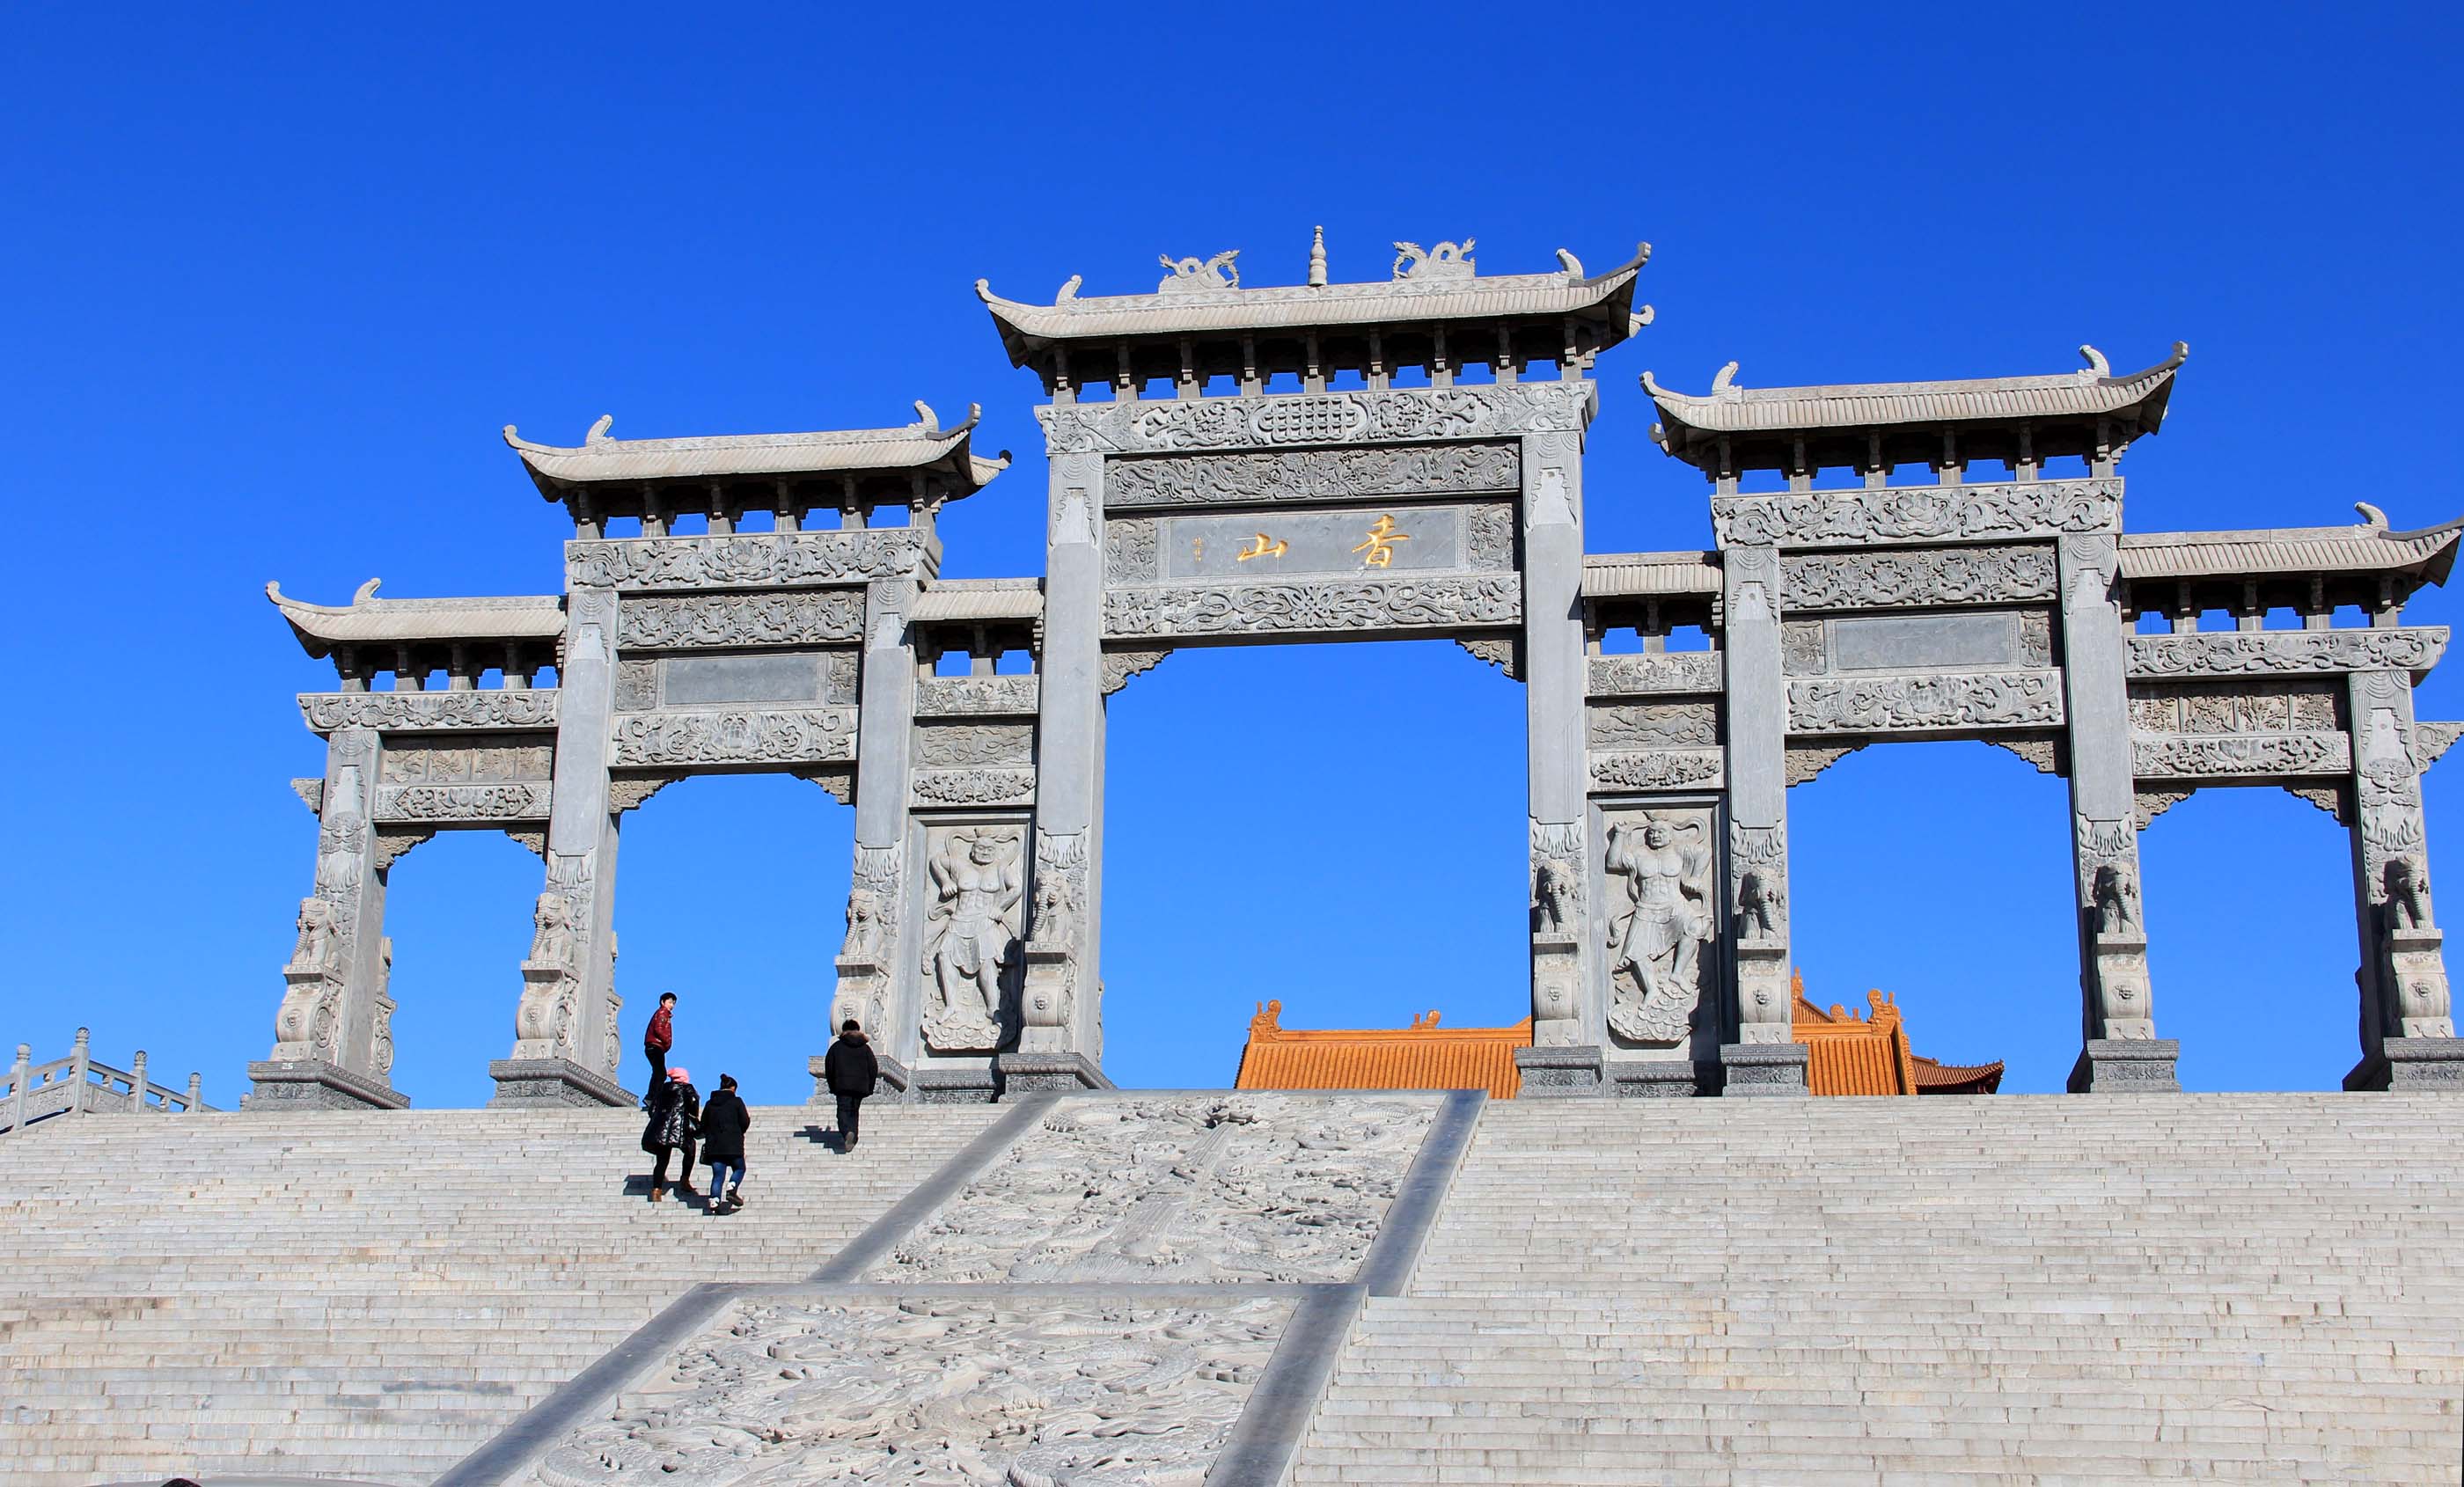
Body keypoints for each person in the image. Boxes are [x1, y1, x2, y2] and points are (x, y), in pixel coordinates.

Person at [641, 1066, 700, 1203]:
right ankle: (685, 1180)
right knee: (690, 1151)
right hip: (681, 1129)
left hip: (662, 1129)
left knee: (662, 1159)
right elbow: (694, 1104)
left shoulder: (663, 1089)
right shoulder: (688, 1089)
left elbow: (652, 1110)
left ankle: (656, 1189)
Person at [822, 1018, 878, 1152]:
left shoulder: (837, 1047)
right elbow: (873, 1068)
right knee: (854, 1112)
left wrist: (832, 1085)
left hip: (842, 1085)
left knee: (843, 1112)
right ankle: (853, 1134)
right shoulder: (865, 1049)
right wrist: (869, 1087)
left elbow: (829, 1067)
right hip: (860, 1086)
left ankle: (847, 1132)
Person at [700, 1073, 751, 1213]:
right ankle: (732, 1187)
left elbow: (703, 1125)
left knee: (718, 1175)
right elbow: (745, 1121)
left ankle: (714, 1201)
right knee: (739, 1168)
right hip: (733, 1143)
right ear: (733, 1088)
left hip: (714, 1146)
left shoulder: (710, 1103)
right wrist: (739, 1132)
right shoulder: (737, 1102)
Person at [642, 992, 678, 1103]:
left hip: (655, 1047)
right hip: (655, 1046)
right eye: (670, 1002)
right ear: (663, 1002)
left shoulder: (664, 1014)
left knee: (659, 1072)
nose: (672, 1005)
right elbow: (659, 1029)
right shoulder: (663, 1013)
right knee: (660, 1073)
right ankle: (652, 1098)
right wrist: (667, 1041)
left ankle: (653, 1097)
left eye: (674, 1003)